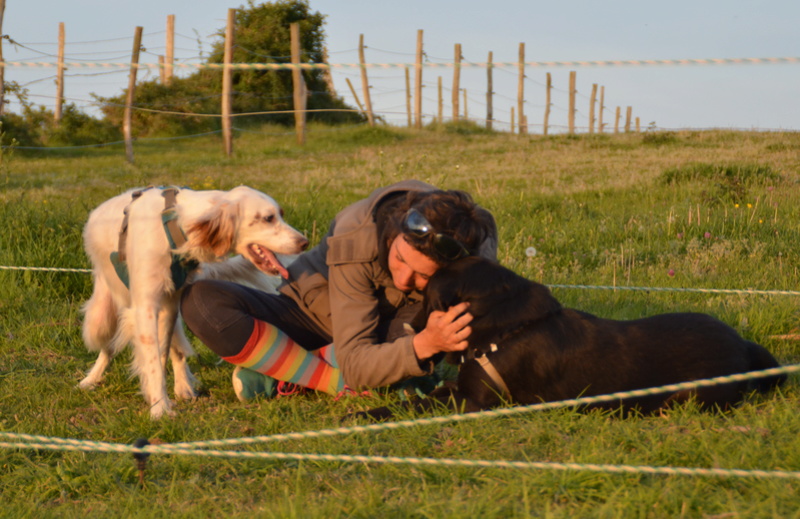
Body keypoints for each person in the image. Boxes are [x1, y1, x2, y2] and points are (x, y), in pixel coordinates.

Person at [180, 179, 498, 400]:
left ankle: (283, 371)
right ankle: (332, 378)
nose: (403, 280)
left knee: (436, 334)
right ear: (392, 235)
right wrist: (419, 349)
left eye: (422, 276)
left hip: (395, 325)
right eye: (400, 260)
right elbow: (357, 362)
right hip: (316, 309)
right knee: (201, 303)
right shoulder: (356, 233)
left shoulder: (476, 242)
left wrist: (429, 341)